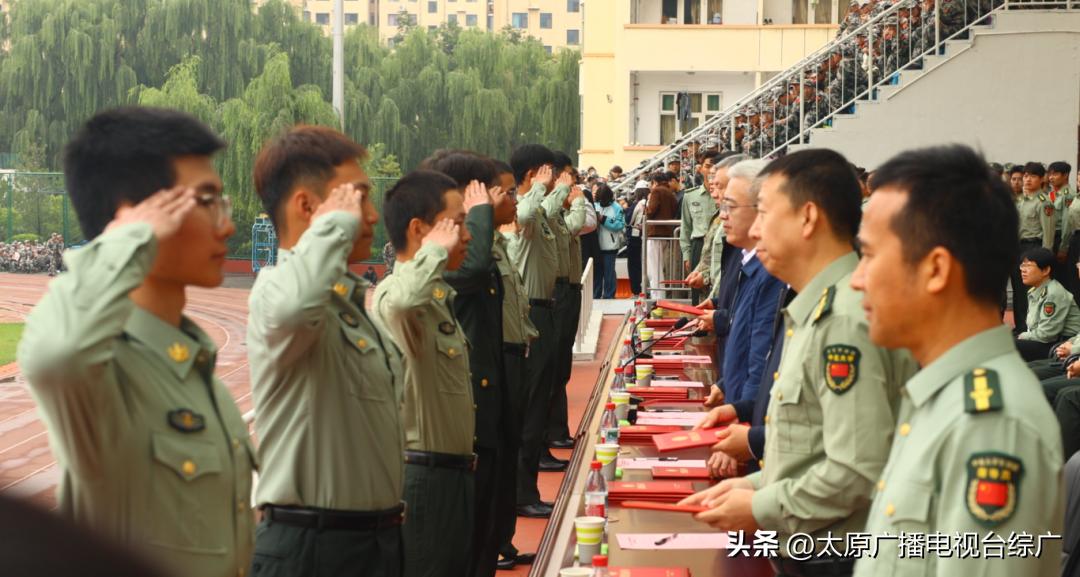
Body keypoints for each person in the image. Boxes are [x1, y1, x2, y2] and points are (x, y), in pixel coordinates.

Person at [17, 107, 254, 577]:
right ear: (139, 215)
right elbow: (53, 354)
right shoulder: (102, 372)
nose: (226, 225)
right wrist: (127, 239)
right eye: (206, 201)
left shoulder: (193, 366)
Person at [681, 149, 914, 577]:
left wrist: (760, 504)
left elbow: (856, 469)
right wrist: (753, 484)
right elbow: (810, 443)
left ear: (807, 218)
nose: (755, 228)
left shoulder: (844, 319)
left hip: (833, 557)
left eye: (765, 213)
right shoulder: (815, 305)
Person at [850, 144, 1063, 577]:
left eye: (869, 256)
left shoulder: (992, 425)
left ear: (936, 269)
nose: (857, 280)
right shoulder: (942, 389)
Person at [246, 126, 405, 577]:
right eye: (357, 199)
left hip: (375, 543)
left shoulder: (347, 304)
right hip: (313, 549)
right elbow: (295, 308)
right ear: (306, 206)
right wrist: (334, 226)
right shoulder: (275, 291)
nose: (371, 216)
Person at [372, 170, 473, 577]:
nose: (467, 236)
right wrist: (434, 252)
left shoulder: (435, 298)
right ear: (419, 230)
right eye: (457, 224)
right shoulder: (395, 295)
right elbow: (400, 303)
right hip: (424, 478)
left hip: (453, 475)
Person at [419, 150, 512, 577]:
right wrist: (478, 214)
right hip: (459, 422)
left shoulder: (472, 240)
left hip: (486, 406)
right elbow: (472, 272)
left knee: (484, 536)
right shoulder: (432, 257)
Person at [490, 161, 541, 571]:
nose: (516, 201)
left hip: (517, 349)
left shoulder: (497, 243)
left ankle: (503, 540)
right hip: (499, 359)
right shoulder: (478, 249)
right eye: (508, 193)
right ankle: (494, 542)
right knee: (500, 455)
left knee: (511, 449)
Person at [506, 144, 563, 518]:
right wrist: (541, 187)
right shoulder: (523, 208)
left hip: (546, 307)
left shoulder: (536, 208)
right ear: (534, 173)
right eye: (549, 172)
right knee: (529, 410)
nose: (555, 178)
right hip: (532, 312)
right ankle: (522, 493)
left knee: (540, 400)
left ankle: (527, 489)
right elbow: (524, 212)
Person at [1014, 247, 1080, 361]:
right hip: (1047, 341)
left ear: (1045, 270)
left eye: (1028, 266)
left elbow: (1047, 334)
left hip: (1062, 344)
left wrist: (1023, 336)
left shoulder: (1054, 293)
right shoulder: (1036, 290)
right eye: (1022, 266)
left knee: (1009, 346)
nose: (1023, 270)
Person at [1013, 162, 1055, 333]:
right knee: (1018, 289)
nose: (1028, 179)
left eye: (1033, 176)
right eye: (1026, 176)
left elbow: (1048, 232)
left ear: (1041, 179)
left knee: (1030, 290)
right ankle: (1019, 326)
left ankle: (1030, 328)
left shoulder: (1044, 202)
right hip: (1018, 248)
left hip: (1033, 247)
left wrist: (1045, 255)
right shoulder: (1020, 201)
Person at [679, 150, 722, 302]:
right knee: (697, 291)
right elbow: (686, 228)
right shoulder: (690, 196)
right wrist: (687, 255)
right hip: (698, 246)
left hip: (719, 244)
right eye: (707, 166)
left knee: (717, 287)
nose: (711, 170)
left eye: (715, 166)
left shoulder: (724, 194)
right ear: (700, 168)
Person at [645, 177, 678, 298]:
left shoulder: (656, 191)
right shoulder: (670, 193)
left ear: (654, 182)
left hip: (655, 233)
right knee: (660, 267)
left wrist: (646, 207)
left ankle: (657, 297)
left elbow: (651, 211)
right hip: (666, 233)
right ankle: (660, 296)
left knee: (654, 268)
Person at [594, 184, 624, 299]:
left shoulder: (617, 208)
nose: (602, 202)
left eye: (604, 199)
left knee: (609, 272)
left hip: (610, 246)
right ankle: (595, 295)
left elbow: (620, 225)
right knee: (597, 273)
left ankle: (609, 295)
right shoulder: (595, 205)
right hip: (596, 245)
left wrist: (603, 219)